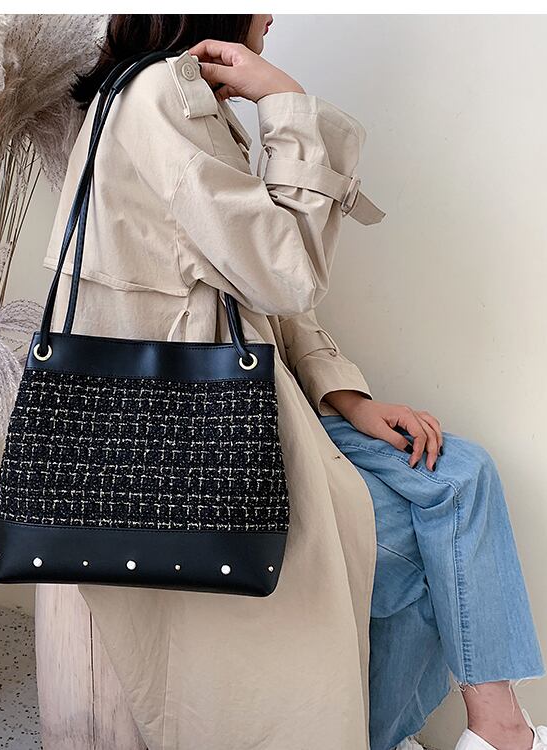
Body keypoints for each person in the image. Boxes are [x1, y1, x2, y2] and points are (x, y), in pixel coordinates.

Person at [36, 14, 545, 750]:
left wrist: (349, 397)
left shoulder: (171, 98)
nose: (270, 14)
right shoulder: (157, 98)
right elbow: (285, 271)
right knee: (436, 531)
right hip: (199, 438)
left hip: (246, 404)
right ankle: (489, 733)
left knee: (462, 473)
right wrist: (285, 102)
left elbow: (247, 286)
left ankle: (494, 731)